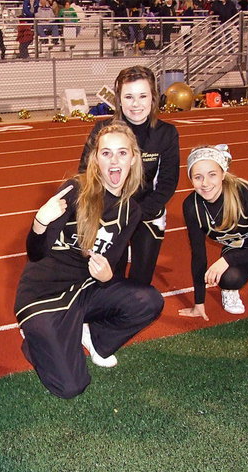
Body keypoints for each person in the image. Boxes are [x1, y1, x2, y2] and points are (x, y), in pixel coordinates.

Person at [15, 122, 164, 398]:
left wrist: (108, 277)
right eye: (106, 153)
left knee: (149, 300)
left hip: (86, 291)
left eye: (122, 153)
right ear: (96, 158)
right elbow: (35, 253)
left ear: (133, 158)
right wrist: (39, 223)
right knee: (71, 387)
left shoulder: (131, 210)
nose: (114, 161)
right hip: (44, 293)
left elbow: (111, 264)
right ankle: (36, 338)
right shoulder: (75, 189)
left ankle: (94, 338)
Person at [78, 65, 180, 286]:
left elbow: (167, 183)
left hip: (147, 212)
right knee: (110, 278)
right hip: (109, 211)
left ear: (153, 98)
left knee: (140, 282)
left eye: (143, 96)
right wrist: (109, 213)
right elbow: (86, 173)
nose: (136, 104)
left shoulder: (166, 134)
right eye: (129, 97)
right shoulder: (102, 130)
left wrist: (135, 214)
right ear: (119, 100)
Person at [178, 144, 248, 325]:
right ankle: (230, 290)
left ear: (223, 174)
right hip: (239, 248)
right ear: (190, 179)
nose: (205, 183)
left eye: (212, 174)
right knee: (227, 278)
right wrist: (198, 303)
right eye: (198, 177)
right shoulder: (191, 206)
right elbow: (198, 255)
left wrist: (227, 260)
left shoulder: (244, 192)